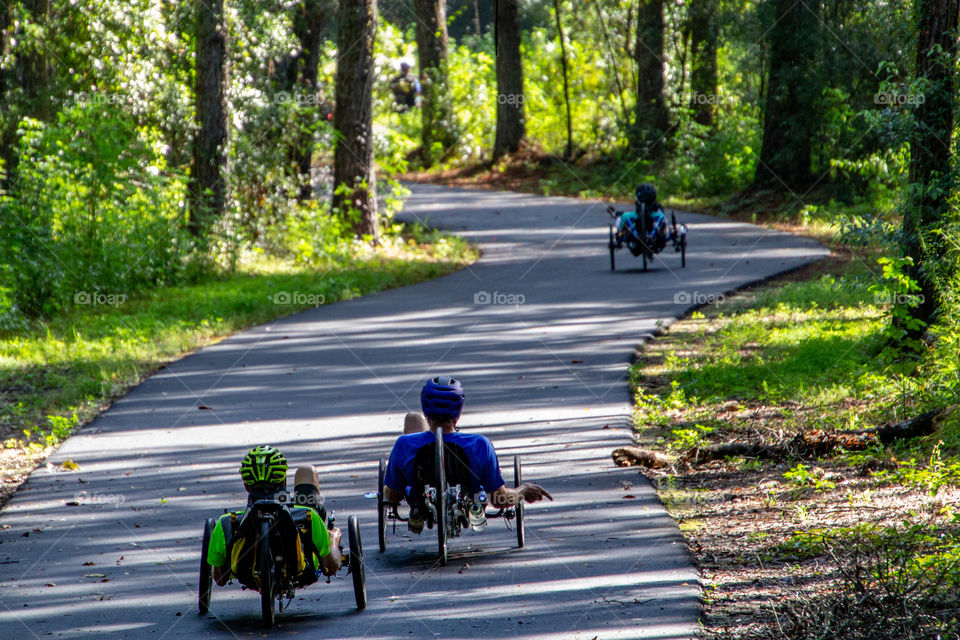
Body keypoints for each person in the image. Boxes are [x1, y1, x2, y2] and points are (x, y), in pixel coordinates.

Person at [382, 376, 553, 533]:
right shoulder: (480, 444)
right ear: (458, 410)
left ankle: (419, 509)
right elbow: (499, 499)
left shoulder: (404, 444)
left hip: (419, 498)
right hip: (471, 500)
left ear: (426, 408)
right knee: (413, 419)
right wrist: (523, 490)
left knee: (412, 418)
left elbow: (393, 496)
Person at [206, 445, 342, 586]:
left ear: (246, 486)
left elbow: (219, 579)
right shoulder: (309, 516)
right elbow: (331, 567)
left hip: (247, 573)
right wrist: (333, 540)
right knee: (306, 470)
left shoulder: (226, 523)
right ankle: (331, 537)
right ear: (283, 481)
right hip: (303, 569)